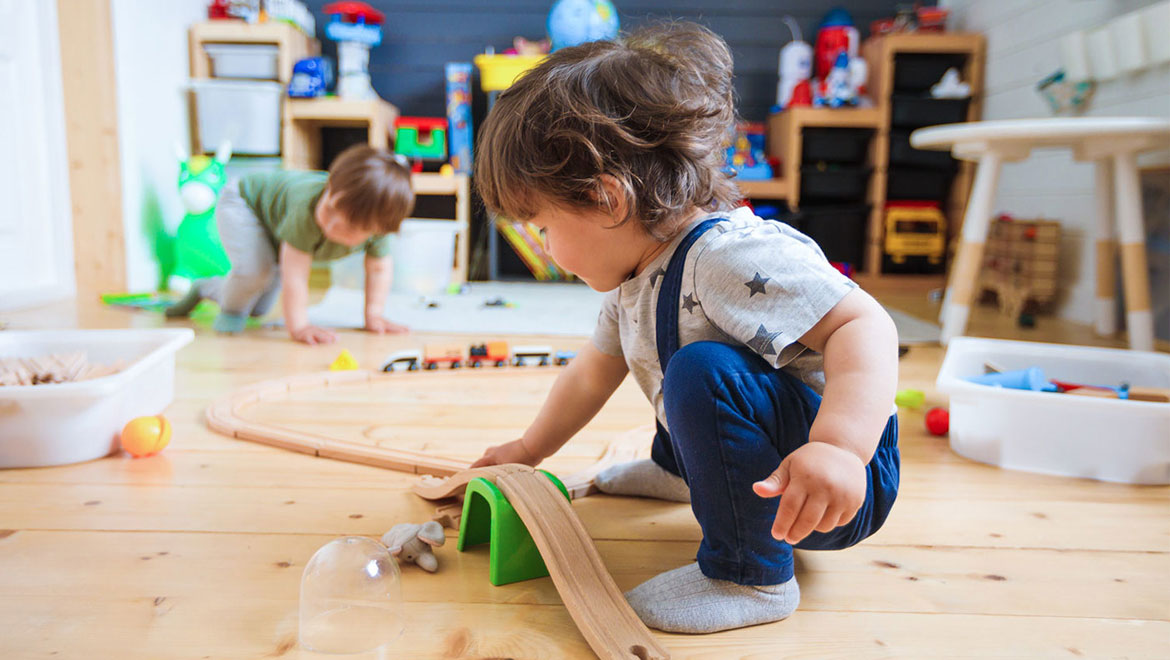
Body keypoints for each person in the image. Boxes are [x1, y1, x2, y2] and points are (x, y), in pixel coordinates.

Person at [469, 22, 900, 634]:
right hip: (782, 469)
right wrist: (528, 451)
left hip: (829, 484)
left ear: (609, 199)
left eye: (542, 227)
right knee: (666, 349)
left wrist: (840, 448)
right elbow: (591, 374)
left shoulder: (727, 257)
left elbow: (865, 323)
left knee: (700, 368)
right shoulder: (633, 274)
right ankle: (681, 473)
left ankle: (750, 576)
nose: (543, 247)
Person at [167, 145, 414, 344]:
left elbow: (378, 270)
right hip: (244, 203)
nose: (329, 225)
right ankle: (230, 312)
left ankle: (205, 288)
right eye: (329, 208)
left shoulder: (377, 227)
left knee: (258, 308)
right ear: (330, 186)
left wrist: (374, 315)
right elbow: (295, 275)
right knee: (255, 274)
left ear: (377, 230)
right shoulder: (305, 209)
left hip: (276, 226)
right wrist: (299, 326)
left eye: (347, 227)